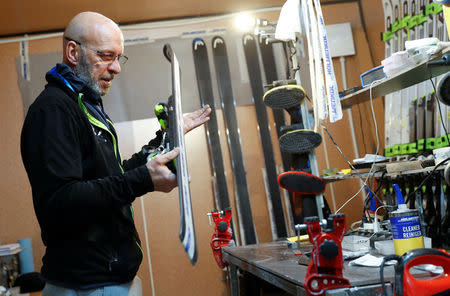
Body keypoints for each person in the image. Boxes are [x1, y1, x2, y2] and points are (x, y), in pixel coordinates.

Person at [20, 11, 211, 295]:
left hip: (109, 280)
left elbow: (113, 177)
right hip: (87, 286)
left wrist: (166, 137)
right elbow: (62, 201)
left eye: (118, 57)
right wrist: (144, 180)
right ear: (73, 52)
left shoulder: (86, 105)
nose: (116, 68)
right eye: (106, 55)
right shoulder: (54, 111)